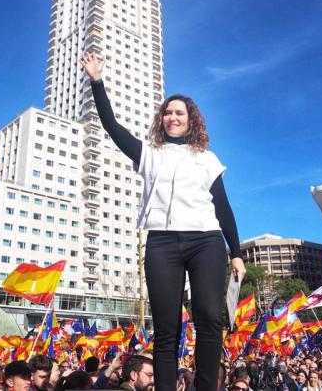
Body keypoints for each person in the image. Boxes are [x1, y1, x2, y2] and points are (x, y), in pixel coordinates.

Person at [81, 51, 244, 391]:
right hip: (162, 243)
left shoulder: (207, 159)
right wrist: (97, 81)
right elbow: (112, 126)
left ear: (191, 120)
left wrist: (237, 253)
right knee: (167, 328)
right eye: (167, 112)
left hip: (206, 241)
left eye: (179, 112)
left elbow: (223, 207)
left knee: (209, 318)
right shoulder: (149, 154)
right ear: (162, 119)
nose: (172, 117)